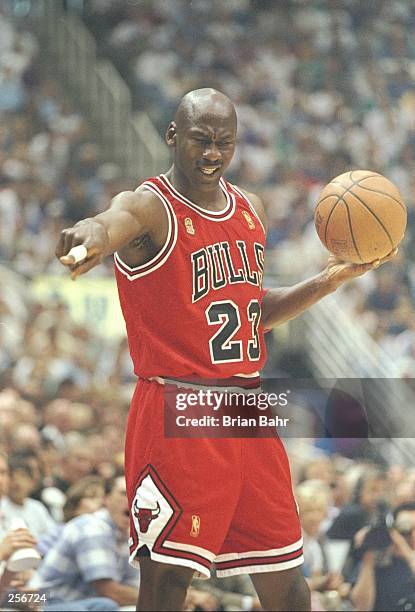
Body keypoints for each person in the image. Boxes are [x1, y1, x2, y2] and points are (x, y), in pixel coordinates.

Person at [56, 88, 396, 611]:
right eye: (200, 140)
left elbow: (251, 311)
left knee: (286, 578)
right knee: (169, 582)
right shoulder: (150, 206)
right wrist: (88, 237)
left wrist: (329, 280)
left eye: (224, 142)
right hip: (178, 405)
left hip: (245, 409)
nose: (212, 153)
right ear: (173, 136)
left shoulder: (249, 210)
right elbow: (109, 222)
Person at [30, 475, 138, 611]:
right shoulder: (92, 527)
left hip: (81, 604)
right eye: (123, 493)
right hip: (44, 602)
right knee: (106, 606)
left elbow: (133, 588)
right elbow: (110, 592)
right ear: (106, 498)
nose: (131, 499)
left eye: (136, 494)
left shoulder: (128, 536)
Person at [351, 502, 415, 611]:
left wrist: (407, 554)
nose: (413, 535)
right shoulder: (381, 561)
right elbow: (362, 607)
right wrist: (368, 556)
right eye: (405, 530)